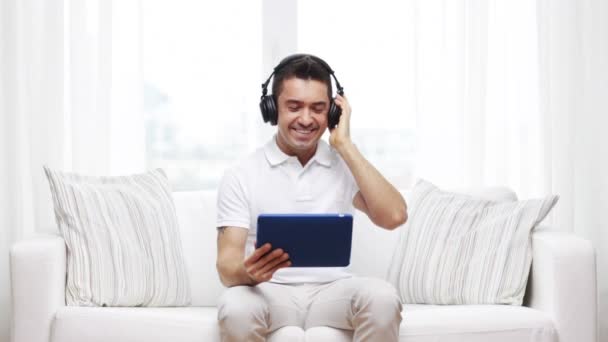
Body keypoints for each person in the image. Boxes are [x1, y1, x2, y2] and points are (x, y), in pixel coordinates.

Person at [215, 53, 408, 342]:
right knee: (235, 307)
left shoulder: (345, 164)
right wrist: (250, 272)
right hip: (269, 292)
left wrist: (344, 144)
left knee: (382, 298)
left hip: (331, 291)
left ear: (332, 112)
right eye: (294, 107)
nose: (306, 119)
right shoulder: (242, 173)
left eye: (318, 108)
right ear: (272, 109)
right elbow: (227, 267)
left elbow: (394, 216)